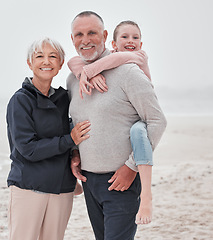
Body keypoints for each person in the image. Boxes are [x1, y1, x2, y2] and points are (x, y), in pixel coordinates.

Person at [67, 11, 167, 239]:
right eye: (79, 34)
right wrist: (74, 154)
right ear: (72, 39)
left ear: (104, 35)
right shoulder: (73, 79)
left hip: (121, 181)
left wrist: (131, 167)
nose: (86, 40)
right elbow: (73, 122)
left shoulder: (128, 71)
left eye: (92, 33)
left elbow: (156, 121)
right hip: (89, 181)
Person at [6, 37, 91, 240]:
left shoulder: (63, 98)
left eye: (53, 56)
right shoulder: (20, 100)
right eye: (40, 56)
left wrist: (75, 154)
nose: (46, 61)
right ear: (30, 63)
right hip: (29, 186)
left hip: (62, 189)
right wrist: (70, 140)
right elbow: (28, 149)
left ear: (60, 64)